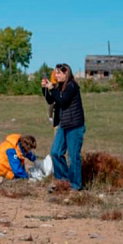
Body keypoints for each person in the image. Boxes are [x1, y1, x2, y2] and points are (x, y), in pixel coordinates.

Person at [41, 63, 85, 191]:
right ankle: (62, 180)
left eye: (59, 73)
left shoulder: (72, 86)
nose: (56, 75)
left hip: (75, 126)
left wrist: (52, 89)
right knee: (56, 152)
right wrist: (44, 89)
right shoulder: (60, 87)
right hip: (63, 124)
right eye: (56, 73)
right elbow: (51, 100)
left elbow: (63, 101)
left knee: (73, 156)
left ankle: (75, 185)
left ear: (66, 73)